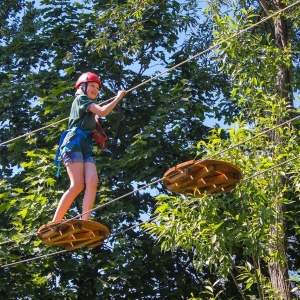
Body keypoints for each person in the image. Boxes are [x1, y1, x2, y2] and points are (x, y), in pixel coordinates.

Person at [52, 72, 127, 222]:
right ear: (83, 87)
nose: (95, 89)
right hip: (73, 142)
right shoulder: (81, 99)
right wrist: (118, 97)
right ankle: (55, 221)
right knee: (78, 184)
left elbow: (97, 116)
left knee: (92, 180)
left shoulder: (89, 107)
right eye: (92, 85)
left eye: (97, 88)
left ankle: (85, 220)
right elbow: (103, 111)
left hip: (85, 144)